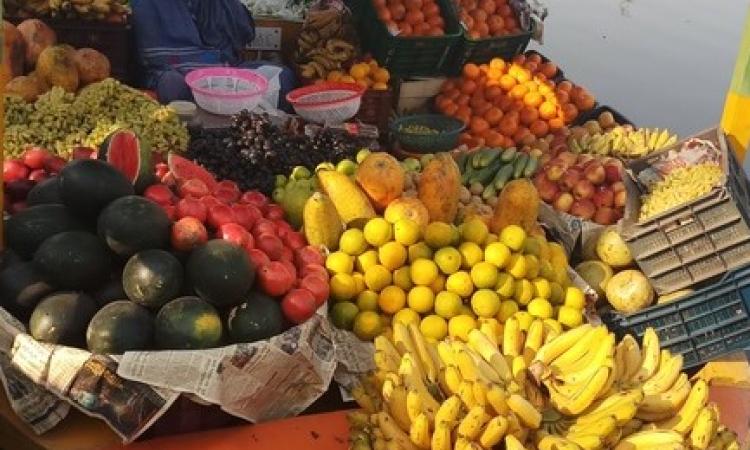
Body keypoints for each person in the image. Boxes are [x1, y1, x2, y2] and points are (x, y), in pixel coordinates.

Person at [131, 0, 297, 111]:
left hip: (221, 72)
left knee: (284, 78)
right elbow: (154, 57)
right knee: (171, 86)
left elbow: (241, 32)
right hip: (175, 73)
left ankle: (227, 106)